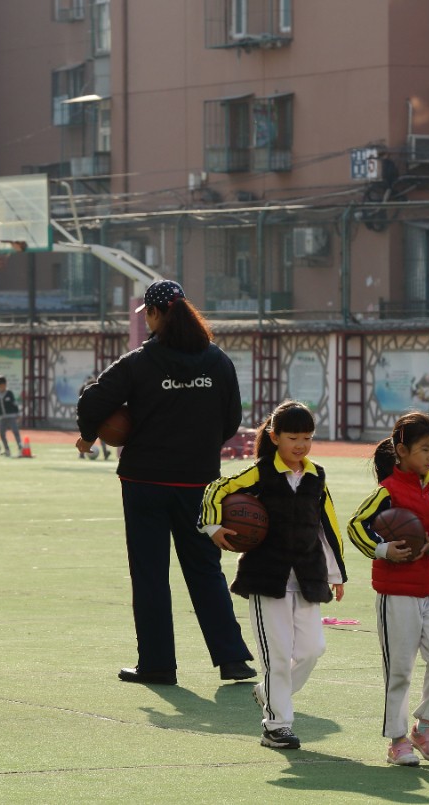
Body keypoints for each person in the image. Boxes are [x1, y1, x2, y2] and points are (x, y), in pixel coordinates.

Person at [76, 279, 255, 685]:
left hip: (145, 482)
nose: (148, 321)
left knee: (150, 574)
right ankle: (232, 659)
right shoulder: (218, 361)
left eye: (148, 315)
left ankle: (157, 665)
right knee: (205, 569)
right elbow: (232, 419)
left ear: (155, 314)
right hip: (198, 482)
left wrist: (88, 435)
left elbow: (93, 400)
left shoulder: (140, 361)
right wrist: (201, 446)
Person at [201, 400, 346, 750]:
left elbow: (328, 524)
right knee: (277, 656)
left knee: (312, 650)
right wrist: (213, 526)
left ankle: (267, 692)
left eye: (307, 437)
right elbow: (217, 489)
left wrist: (336, 573)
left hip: (308, 578)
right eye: (293, 437)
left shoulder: (316, 475)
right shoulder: (260, 473)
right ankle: (276, 726)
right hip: (266, 578)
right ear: (275, 437)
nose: (301, 445)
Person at [347, 412, 429, 767]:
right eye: (424, 449)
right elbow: (357, 526)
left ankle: (425, 728)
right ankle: (397, 740)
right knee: (399, 669)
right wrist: (383, 549)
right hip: (396, 594)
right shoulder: (387, 491)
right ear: (402, 451)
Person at [78, 377, 112, 460]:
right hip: (96, 415)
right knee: (100, 433)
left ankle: (81, 453)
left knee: (87, 434)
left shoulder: (84, 391)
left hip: (88, 415)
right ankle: (105, 452)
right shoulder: (98, 391)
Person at [0, 375, 22, 456]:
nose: (2, 387)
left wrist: (18, 414)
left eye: (3, 385)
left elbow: (14, 404)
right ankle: (7, 450)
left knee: (15, 431)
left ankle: (20, 449)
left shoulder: (9, 393)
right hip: (2, 417)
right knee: (1, 434)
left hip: (11, 416)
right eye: (0, 386)